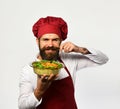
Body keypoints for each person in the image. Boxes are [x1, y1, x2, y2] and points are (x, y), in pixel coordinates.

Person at [18, 16, 108, 109]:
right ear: (38, 41)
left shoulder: (69, 60)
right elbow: (22, 106)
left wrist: (78, 49)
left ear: (61, 41)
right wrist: (39, 91)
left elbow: (103, 60)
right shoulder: (29, 70)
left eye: (55, 40)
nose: (50, 44)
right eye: (45, 40)